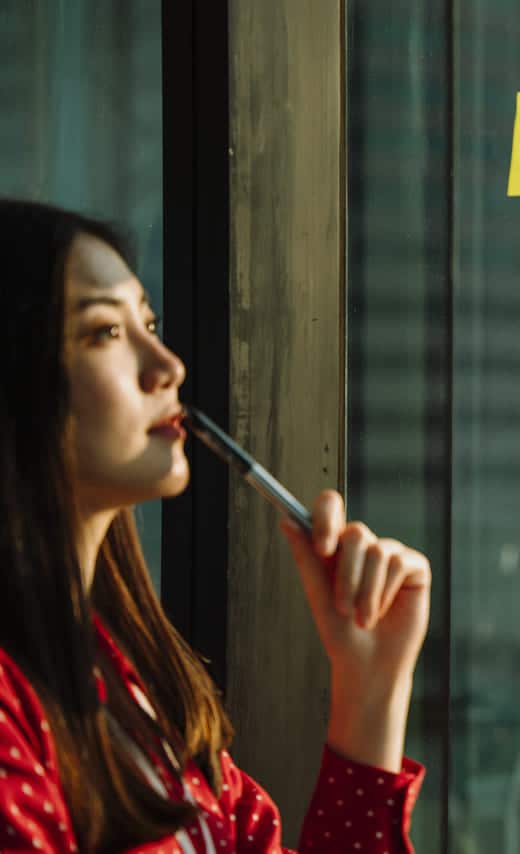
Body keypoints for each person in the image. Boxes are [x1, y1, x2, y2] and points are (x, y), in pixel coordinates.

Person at [0, 198, 431, 852]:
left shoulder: (139, 685)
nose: (167, 366)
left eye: (150, 322)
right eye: (105, 333)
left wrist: (371, 690)